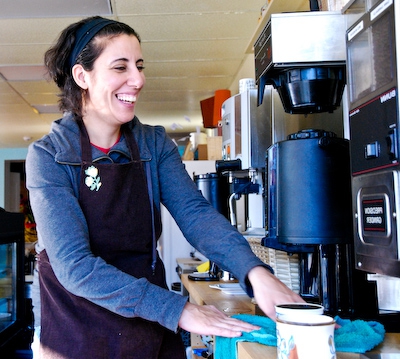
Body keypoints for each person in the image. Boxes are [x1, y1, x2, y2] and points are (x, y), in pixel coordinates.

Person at [26, 16, 304, 359]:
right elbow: (75, 266)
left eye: (139, 66)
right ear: (82, 76)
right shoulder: (48, 157)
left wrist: (255, 272)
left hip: (148, 326)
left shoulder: (153, 144)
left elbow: (195, 214)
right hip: (78, 333)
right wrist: (179, 310)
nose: (138, 79)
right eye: (121, 67)